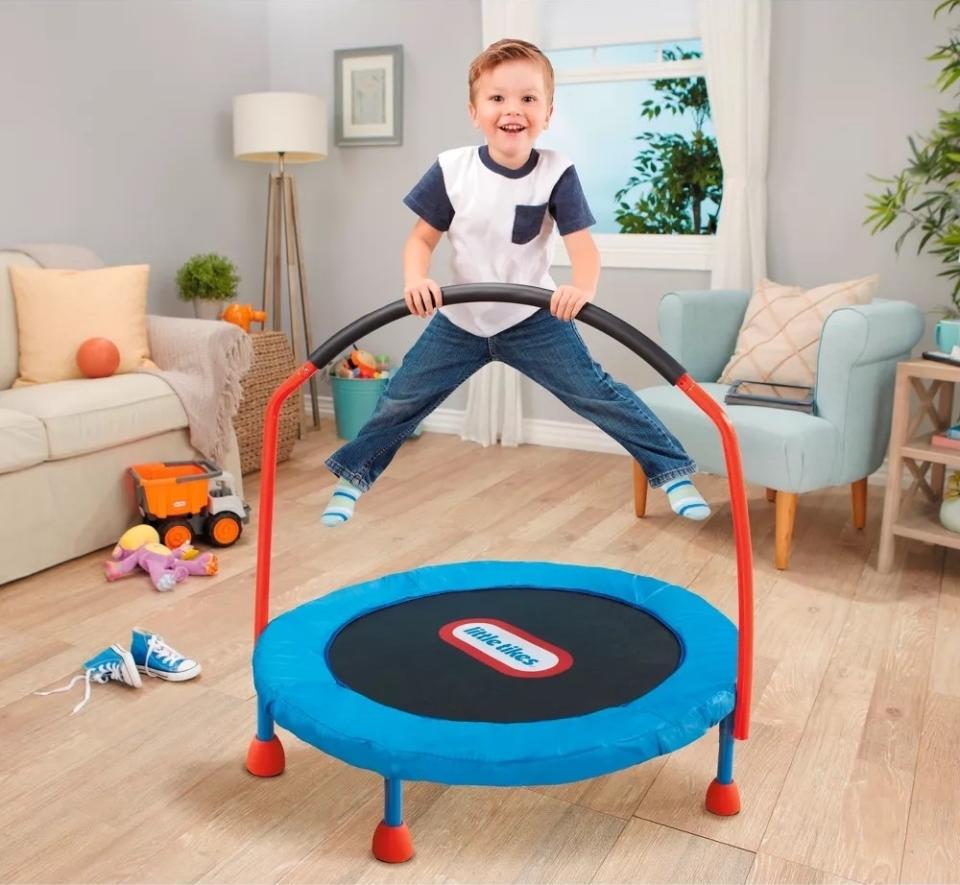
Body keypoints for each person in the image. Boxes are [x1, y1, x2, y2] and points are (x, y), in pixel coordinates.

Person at [321, 38, 709, 526]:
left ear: (547, 112)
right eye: (497, 98)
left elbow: (583, 248)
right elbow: (420, 240)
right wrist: (415, 279)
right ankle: (351, 478)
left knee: (598, 393)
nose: (513, 110)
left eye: (528, 98)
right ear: (474, 110)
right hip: (461, 319)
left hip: (532, 317)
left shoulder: (556, 171)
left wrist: (582, 289)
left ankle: (671, 469)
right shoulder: (451, 169)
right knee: (402, 397)